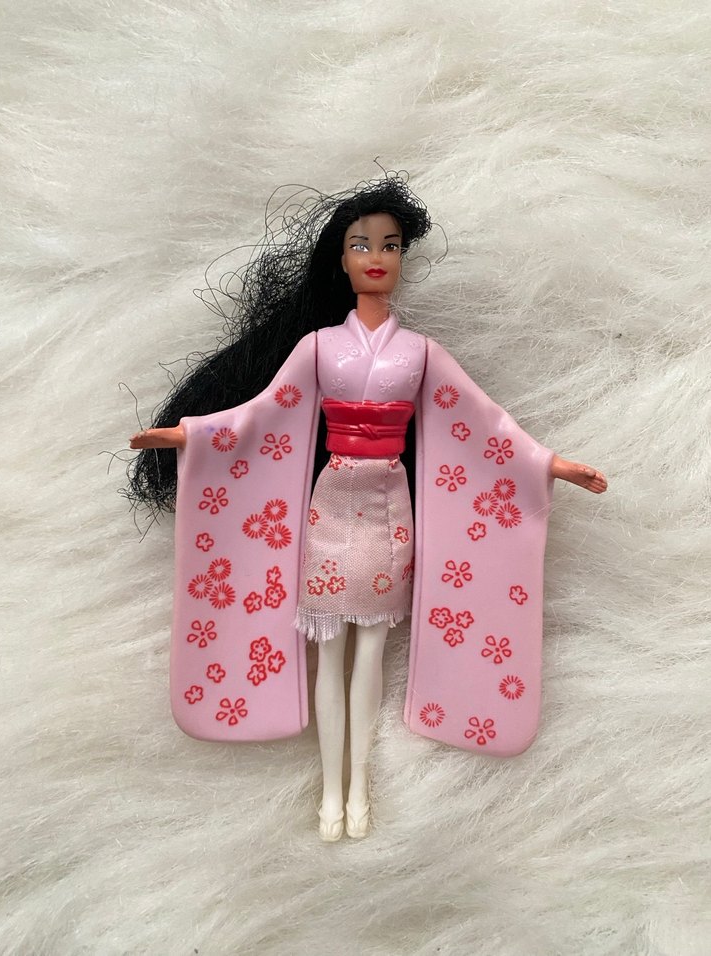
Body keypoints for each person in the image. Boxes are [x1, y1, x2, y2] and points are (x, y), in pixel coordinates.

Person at [130, 175, 606, 842]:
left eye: (389, 245)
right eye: (361, 245)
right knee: (329, 654)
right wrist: (193, 436)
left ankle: (360, 790)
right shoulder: (318, 347)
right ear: (342, 258)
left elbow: (484, 423)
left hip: (389, 510)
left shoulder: (421, 354)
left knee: (371, 656)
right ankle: (331, 791)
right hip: (329, 507)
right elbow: (262, 413)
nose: (376, 256)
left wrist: (546, 464)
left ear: (401, 257)